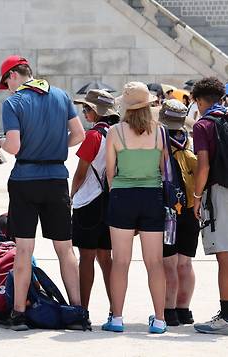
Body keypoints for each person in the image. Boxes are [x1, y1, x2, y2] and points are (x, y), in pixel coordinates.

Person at [0, 55, 84, 331]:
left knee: (24, 250)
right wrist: (55, 146)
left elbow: (14, 147)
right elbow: (78, 135)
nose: (8, 87)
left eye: (7, 81)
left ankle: (18, 314)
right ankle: (77, 311)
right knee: (65, 249)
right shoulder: (61, 96)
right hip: (56, 179)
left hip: (25, 180)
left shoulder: (14, 103)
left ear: (14, 75)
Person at [102, 81, 167, 334]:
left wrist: (118, 190)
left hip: (122, 196)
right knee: (155, 262)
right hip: (152, 196)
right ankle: (160, 319)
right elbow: (163, 169)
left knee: (120, 261)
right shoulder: (160, 132)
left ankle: (117, 318)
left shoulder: (115, 132)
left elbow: (110, 172)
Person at [70, 90, 119, 317]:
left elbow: (80, 174)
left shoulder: (94, 136)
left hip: (88, 203)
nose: (84, 112)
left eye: (86, 108)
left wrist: (70, 196)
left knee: (86, 258)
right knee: (106, 258)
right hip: (110, 201)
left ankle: (83, 310)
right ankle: (114, 309)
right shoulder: (118, 134)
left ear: (96, 111)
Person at [191, 77, 228, 335]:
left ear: (198, 100)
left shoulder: (203, 125)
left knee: (225, 258)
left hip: (219, 193)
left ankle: (226, 317)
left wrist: (196, 197)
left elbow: (202, 166)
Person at [158, 99, 200, 326]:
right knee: (185, 263)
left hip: (169, 210)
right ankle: (185, 310)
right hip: (192, 208)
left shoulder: (161, 140)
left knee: (169, 263)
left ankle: (169, 310)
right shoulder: (190, 141)